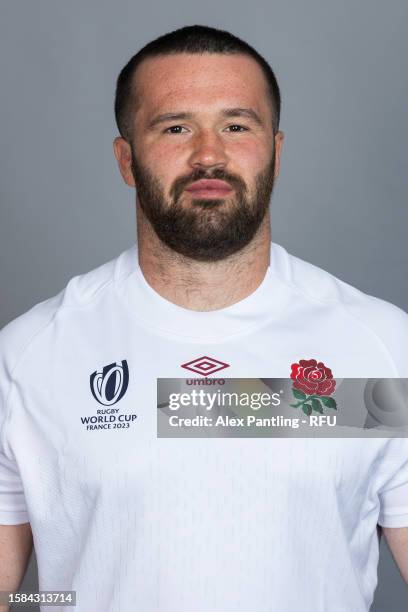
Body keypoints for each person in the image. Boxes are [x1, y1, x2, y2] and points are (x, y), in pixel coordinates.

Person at [0, 24, 407, 612]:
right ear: (126, 160)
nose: (209, 154)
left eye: (237, 126)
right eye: (175, 127)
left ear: (276, 150)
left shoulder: (379, 347)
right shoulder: (29, 355)